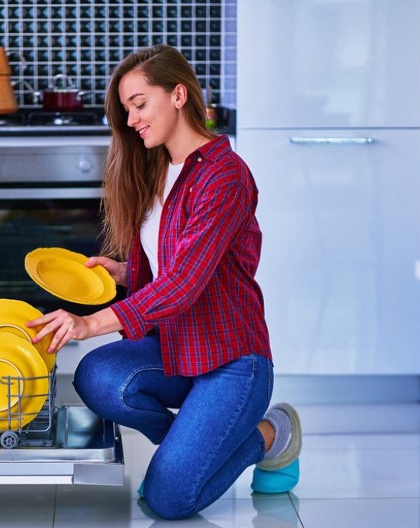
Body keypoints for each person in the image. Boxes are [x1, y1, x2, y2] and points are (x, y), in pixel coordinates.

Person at [28, 44, 302, 520]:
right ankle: (195, 440)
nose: (132, 120)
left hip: (233, 362)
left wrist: (91, 324)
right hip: (176, 351)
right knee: (96, 376)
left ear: (178, 95)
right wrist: (124, 274)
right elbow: (169, 266)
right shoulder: (159, 169)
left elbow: (186, 283)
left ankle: (269, 431)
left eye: (139, 104)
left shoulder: (225, 176)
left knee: (167, 500)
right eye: (126, 110)